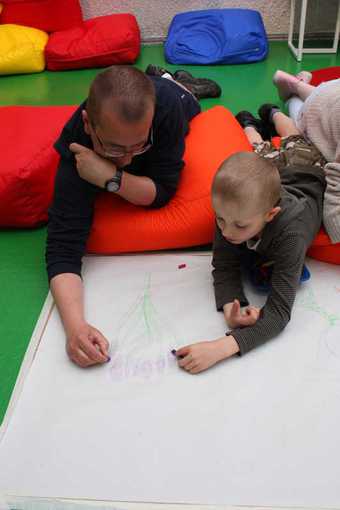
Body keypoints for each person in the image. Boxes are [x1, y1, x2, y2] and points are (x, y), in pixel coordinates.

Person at [46, 65, 202, 368]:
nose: (129, 158)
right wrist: (75, 326)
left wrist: (111, 175)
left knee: (190, 102)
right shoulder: (76, 143)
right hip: (144, 100)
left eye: (139, 145)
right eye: (115, 147)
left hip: (173, 97)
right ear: (89, 124)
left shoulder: (165, 112)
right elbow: (62, 247)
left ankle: (178, 82)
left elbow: (162, 193)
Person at [173, 106, 326, 374]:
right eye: (220, 220)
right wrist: (235, 305)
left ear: (270, 215)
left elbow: (279, 312)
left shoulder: (291, 234)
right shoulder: (232, 212)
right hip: (270, 178)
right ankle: (248, 124)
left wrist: (222, 347)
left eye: (239, 226)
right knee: (260, 149)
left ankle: (273, 112)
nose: (226, 231)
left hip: (306, 172)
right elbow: (223, 265)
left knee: (292, 138)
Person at [273, 69, 340, 243]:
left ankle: (298, 84)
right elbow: (335, 185)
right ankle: (293, 92)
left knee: (322, 96)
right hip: (315, 113)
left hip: (331, 90)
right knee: (296, 109)